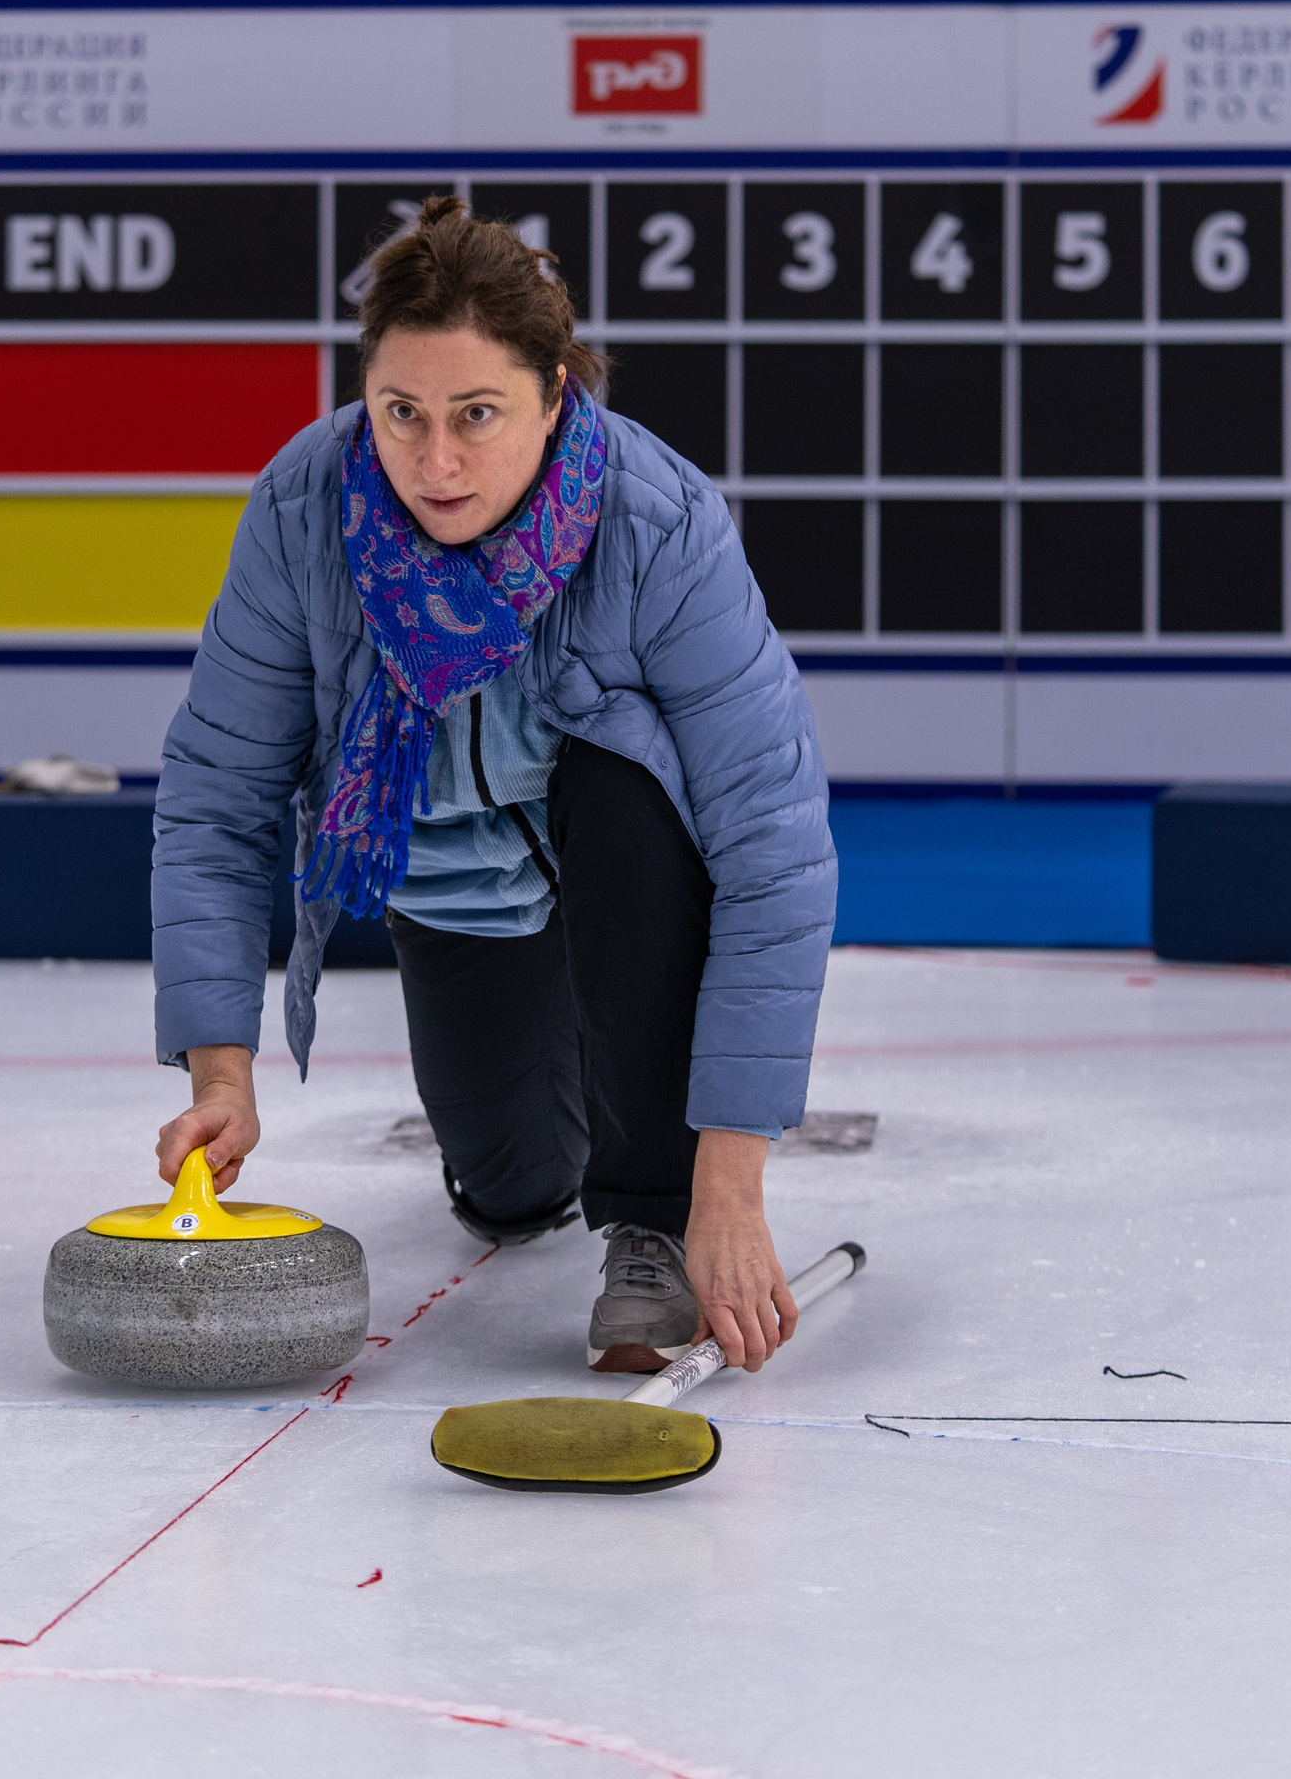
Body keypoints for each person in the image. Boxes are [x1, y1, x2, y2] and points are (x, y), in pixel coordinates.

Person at [149, 196, 836, 1376]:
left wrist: (724, 1188)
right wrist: (221, 1072)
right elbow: (217, 795)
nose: (436, 460)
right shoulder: (304, 509)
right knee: (510, 1196)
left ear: (556, 391)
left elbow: (773, 843)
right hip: (457, 886)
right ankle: (571, 1078)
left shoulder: (655, 523)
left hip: (623, 867)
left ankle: (646, 1216)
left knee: (623, 783)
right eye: (400, 413)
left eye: (477, 414)